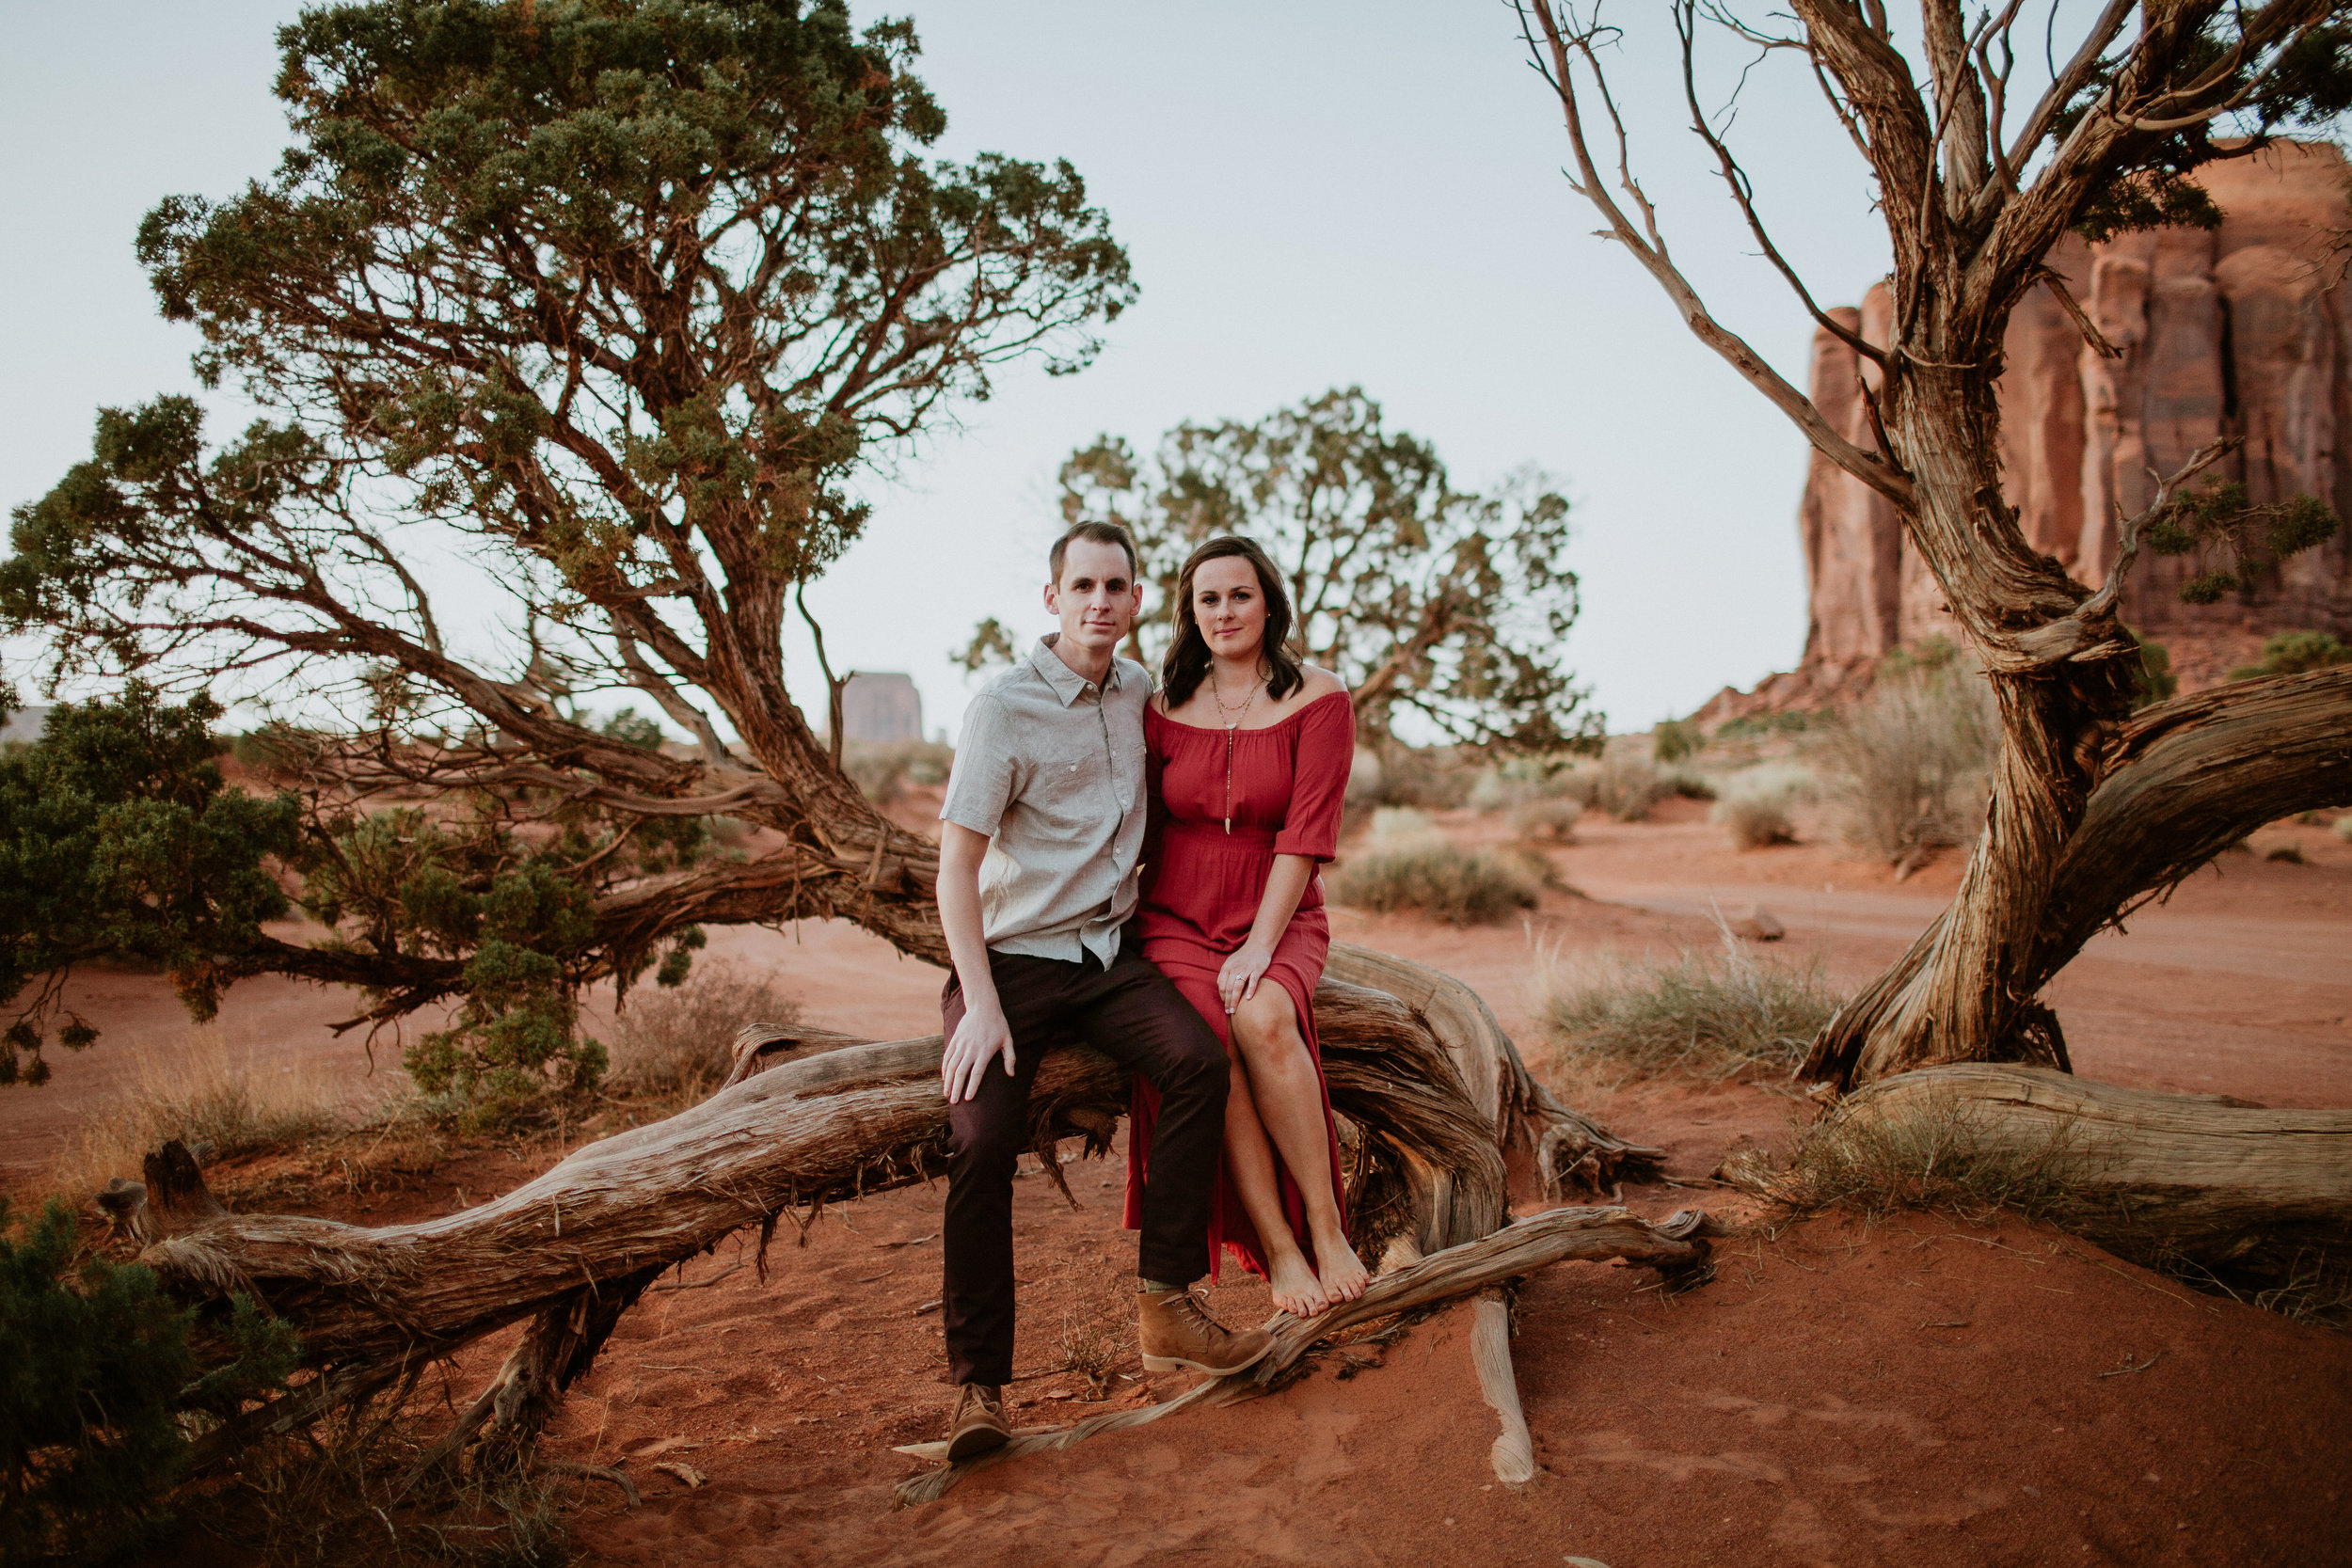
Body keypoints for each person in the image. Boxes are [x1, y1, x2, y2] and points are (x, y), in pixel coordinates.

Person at [932, 520, 1274, 1463]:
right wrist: (982, 1000)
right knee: (981, 1135)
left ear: (1133, 600)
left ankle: (1165, 1301)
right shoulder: (1000, 707)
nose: (1098, 601)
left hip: (1109, 956)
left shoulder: (1138, 691)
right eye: (1081, 584)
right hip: (1007, 960)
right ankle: (978, 1389)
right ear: (1051, 597)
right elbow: (954, 869)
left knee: (1199, 1061)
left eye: (1116, 586)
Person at [1124, 534, 1372, 1320]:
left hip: (1280, 909)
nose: (1224, 611)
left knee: (1264, 1016)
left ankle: (1328, 1232)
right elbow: (1143, 822)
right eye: (1208, 599)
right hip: (1174, 915)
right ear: (1188, 612)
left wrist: (1260, 946)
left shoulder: (1319, 697)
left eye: (1239, 595)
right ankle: (1280, 1246)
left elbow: (1305, 835)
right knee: (1211, 1039)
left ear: (1269, 601)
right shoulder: (1162, 706)